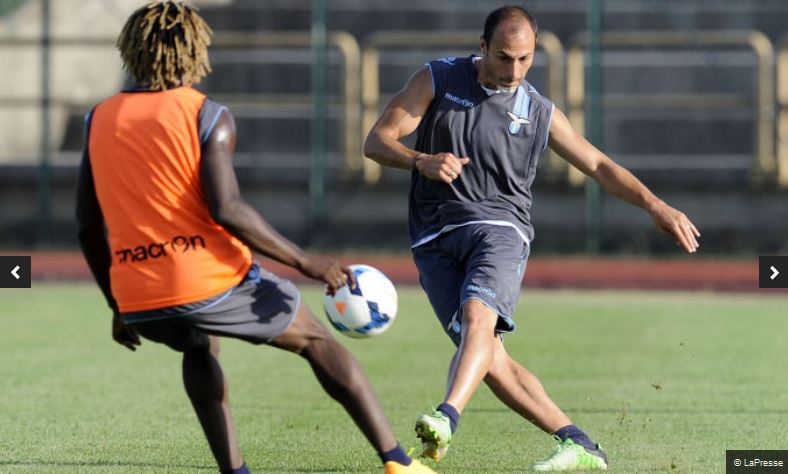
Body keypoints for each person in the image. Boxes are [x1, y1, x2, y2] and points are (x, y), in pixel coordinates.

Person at [75, 2, 436, 474]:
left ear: (132, 50)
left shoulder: (98, 119)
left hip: (139, 297)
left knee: (198, 344)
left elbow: (87, 226)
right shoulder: (206, 114)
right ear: (193, 51)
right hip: (206, 280)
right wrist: (306, 262)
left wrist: (118, 305)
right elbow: (228, 209)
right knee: (316, 340)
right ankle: (398, 463)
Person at [364, 5, 701, 472]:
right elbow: (376, 141)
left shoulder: (538, 110)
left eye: (525, 59)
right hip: (433, 238)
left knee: (478, 318)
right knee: (487, 357)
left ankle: (446, 417)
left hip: (501, 229)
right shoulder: (437, 79)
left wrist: (653, 205)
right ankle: (580, 444)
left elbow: (598, 165)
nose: (514, 71)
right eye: (504, 58)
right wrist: (421, 161)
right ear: (483, 47)